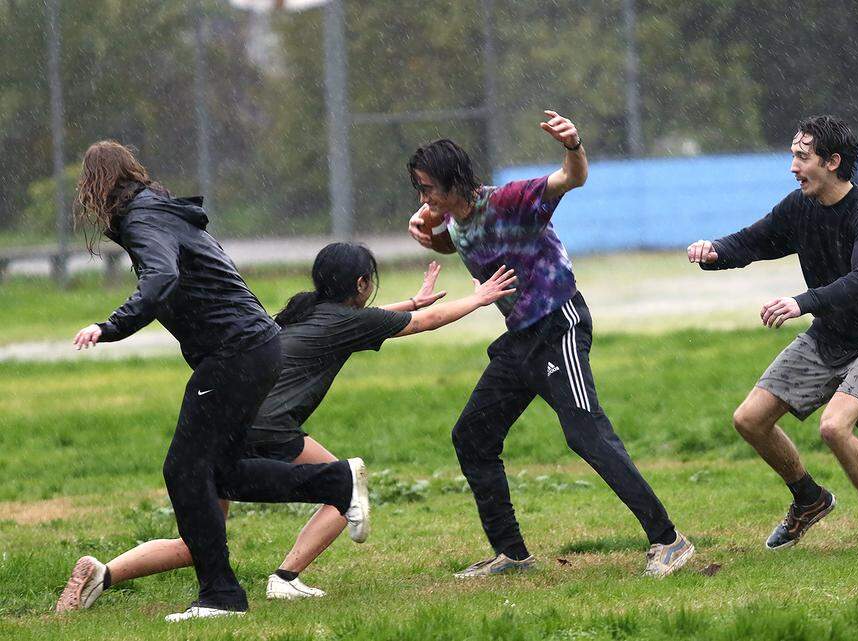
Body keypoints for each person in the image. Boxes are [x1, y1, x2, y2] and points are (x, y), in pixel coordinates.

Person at [56, 243, 516, 609]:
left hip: (230, 420)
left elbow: (380, 318)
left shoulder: (305, 309)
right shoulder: (345, 322)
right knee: (344, 490)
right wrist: (479, 297)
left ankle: (104, 572)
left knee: (201, 536)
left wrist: (409, 302)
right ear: (360, 284)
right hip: (272, 428)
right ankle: (285, 578)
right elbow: (425, 323)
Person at [64, 141, 370, 622]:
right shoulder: (163, 212)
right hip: (254, 347)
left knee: (183, 471)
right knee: (218, 473)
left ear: (98, 188)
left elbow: (161, 278)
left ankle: (221, 596)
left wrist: (111, 325)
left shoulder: (143, 219)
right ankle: (337, 480)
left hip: (235, 353)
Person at [406, 110, 693, 578]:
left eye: (427, 189)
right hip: (520, 338)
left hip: (558, 325)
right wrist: (429, 233)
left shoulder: (511, 200)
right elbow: (459, 239)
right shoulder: (455, 220)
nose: (422, 198)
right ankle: (512, 555)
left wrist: (574, 145)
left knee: (585, 434)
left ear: (454, 182)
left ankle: (670, 541)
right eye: (419, 190)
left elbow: (571, 178)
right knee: (472, 436)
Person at [686, 115, 858, 557]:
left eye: (802, 156)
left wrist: (801, 302)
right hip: (831, 334)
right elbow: (754, 241)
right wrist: (713, 251)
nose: (793, 166)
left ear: (832, 162)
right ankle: (809, 498)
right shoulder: (799, 207)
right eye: (793, 154)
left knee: (833, 427)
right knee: (749, 419)